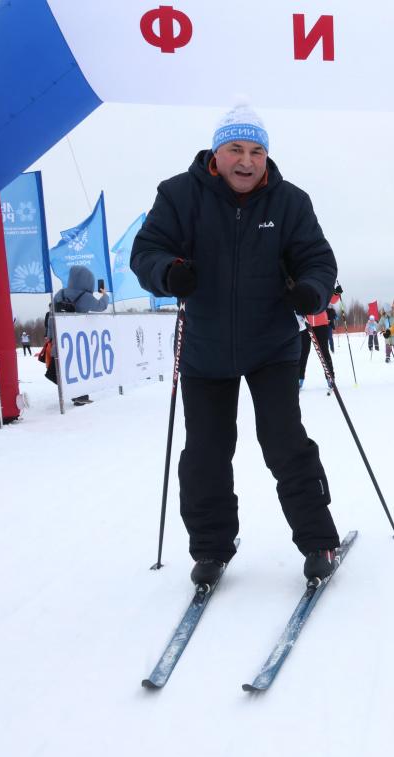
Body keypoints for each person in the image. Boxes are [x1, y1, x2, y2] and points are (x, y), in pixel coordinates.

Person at [131, 100, 342, 586]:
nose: (246, 161)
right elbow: (147, 252)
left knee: (285, 443)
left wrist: (312, 289)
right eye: (235, 149)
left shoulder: (290, 202)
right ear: (216, 152)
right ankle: (210, 548)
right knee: (205, 451)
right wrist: (168, 273)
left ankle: (317, 540)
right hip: (204, 347)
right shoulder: (180, 195)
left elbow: (317, 257)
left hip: (271, 344)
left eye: (256, 152)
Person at [46, 264, 110, 404]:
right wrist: (104, 295)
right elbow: (101, 306)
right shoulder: (85, 296)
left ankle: (68, 392)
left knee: (64, 367)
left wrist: (50, 336)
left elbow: (51, 316)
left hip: (61, 339)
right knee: (80, 366)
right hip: (77, 340)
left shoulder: (59, 294)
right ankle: (81, 396)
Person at [299, 306, 334, 389]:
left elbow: (332, 299)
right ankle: (299, 378)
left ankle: (330, 377)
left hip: (321, 324)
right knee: (303, 352)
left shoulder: (323, 292)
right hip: (305, 323)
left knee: (324, 352)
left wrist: (336, 293)